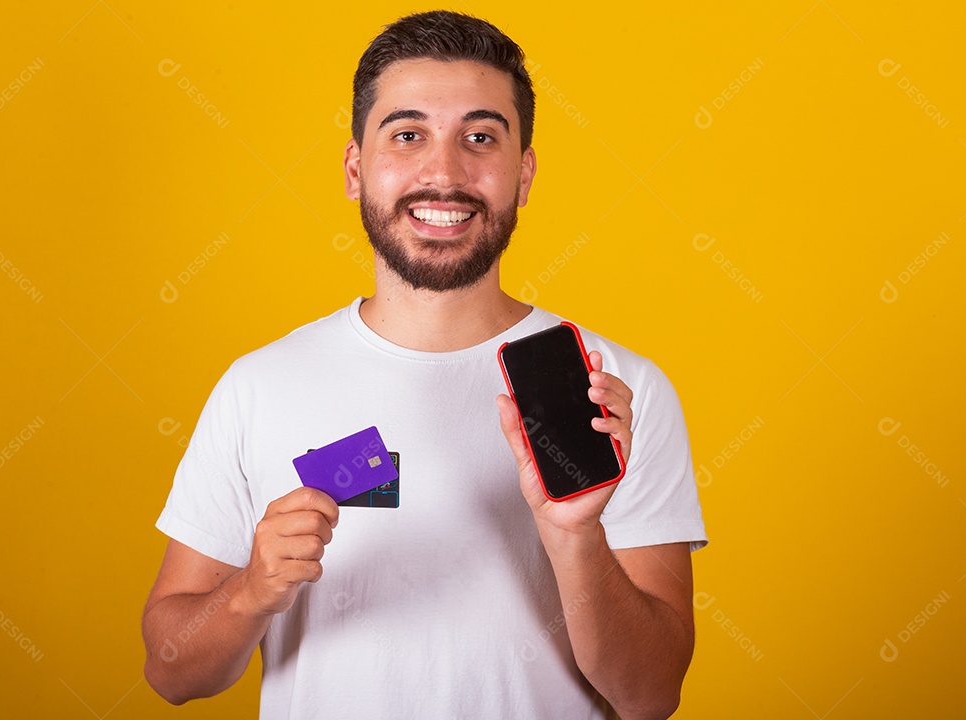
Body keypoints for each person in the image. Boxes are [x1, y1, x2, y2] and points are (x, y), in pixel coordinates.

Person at [142, 10, 706, 720]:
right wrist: (253, 588)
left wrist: (575, 535)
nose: (443, 172)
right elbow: (169, 671)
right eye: (408, 135)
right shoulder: (257, 387)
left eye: (480, 137)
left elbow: (652, 695)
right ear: (355, 169)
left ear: (523, 174)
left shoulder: (613, 391)